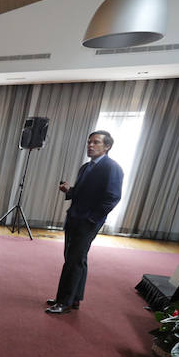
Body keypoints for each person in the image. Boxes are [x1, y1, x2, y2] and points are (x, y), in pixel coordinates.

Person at [46, 130, 123, 315]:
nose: (90, 145)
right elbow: (80, 194)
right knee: (77, 260)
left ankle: (63, 302)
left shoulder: (112, 168)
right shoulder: (86, 167)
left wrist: (92, 219)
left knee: (72, 262)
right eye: (89, 142)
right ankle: (74, 299)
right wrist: (69, 190)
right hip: (74, 218)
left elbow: (112, 198)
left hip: (87, 222)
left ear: (107, 147)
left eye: (96, 142)